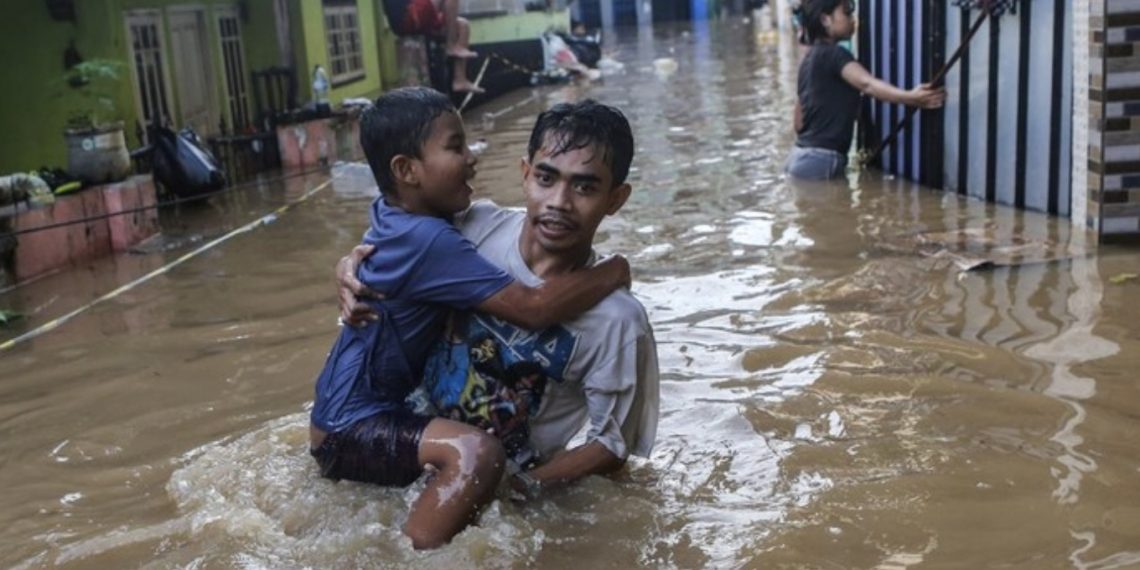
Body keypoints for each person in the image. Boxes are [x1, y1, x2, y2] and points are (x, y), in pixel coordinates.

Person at [309, 87, 633, 550]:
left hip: (352, 415)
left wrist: (348, 265)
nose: (473, 157)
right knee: (477, 454)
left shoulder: (413, 218)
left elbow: (613, 446)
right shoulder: (451, 235)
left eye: (583, 186)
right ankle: (414, 557)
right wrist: (616, 269)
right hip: (356, 421)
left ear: (615, 198)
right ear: (406, 170)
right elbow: (534, 308)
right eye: (456, 147)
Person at [786, 0, 945, 181]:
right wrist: (911, 97)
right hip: (822, 160)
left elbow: (799, 124)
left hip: (798, 157)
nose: (853, 19)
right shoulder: (835, 55)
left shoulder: (808, 62)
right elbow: (867, 84)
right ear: (825, 19)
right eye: (846, 13)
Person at [383, 0, 485, 93]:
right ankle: (451, 44)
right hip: (406, 16)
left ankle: (460, 79)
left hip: (419, 17)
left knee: (463, 26)